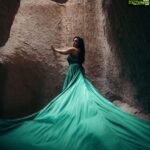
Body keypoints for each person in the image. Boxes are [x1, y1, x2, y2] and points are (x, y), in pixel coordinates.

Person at [0, 36, 150, 150]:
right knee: (77, 90)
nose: (74, 42)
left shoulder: (74, 50)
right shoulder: (80, 52)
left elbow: (63, 51)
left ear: (79, 44)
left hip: (75, 71)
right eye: (74, 40)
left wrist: (54, 49)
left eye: (76, 40)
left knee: (78, 90)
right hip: (77, 71)